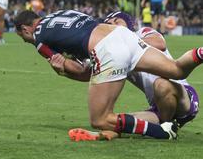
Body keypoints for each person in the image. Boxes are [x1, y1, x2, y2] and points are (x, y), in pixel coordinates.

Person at [14, 9, 203, 140]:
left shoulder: (38, 37)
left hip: (107, 49)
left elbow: (78, 69)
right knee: (177, 69)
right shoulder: (62, 14)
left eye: (24, 38)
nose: (26, 41)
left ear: (25, 29)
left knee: (99, 119)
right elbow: (94, 71)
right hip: (123, 38)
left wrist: (62, 68)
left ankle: (163, 133)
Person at [69, 11, 199, 141]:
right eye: (109, 24)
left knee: (162, 85)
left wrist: (124, 41)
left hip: (183, 97)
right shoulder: (113, 54)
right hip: (159, 107)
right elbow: (88, 74)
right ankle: (105, 134)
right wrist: (62, 65)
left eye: (117, 21)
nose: (113, 25)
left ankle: (165, 128)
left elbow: (159, 43)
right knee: (111, 120)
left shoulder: (142, 32)